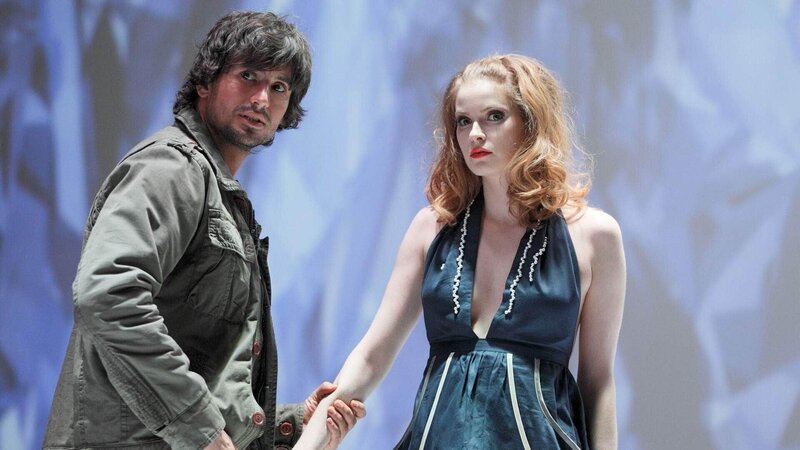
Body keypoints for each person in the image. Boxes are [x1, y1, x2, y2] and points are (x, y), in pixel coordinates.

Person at [43, 11, 365, 450]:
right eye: (248, 76)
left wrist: (295, 423)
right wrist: (199, 429)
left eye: (278, 87)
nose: (261, 98)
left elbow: (208, 375)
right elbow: (107, 294)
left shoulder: (219, 192)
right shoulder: (172, 167)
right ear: (205, 82)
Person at [296, 54, 626, 449]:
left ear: (531, 122)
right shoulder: (431, 228)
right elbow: (371, 355)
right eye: (463, 121)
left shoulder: (593, 235)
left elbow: (598, 382)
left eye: (494, 117)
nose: (475, 134)